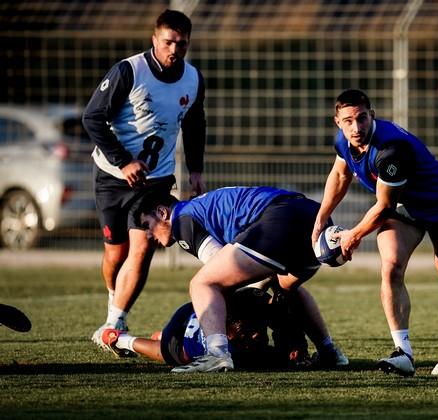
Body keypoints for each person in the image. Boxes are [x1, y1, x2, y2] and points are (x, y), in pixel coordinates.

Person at [311, 89, 438, 376]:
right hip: (401, 208)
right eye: (348, 121)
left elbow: (383, 206)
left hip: (437, 205)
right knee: (391, 269)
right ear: (337, 122)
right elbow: (340, 174)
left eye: (362, 118)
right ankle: (403, 353)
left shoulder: (391, 150)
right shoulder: (344, 141)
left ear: (371, 115)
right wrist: (322, 215)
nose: (356, 127)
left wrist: (353, 235)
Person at [82, 9, 207, 354]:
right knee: (115, 253)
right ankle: (114, 297)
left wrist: (195, 169)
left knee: (143, 246)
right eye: (168, 42)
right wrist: (123, 163)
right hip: (112, 177)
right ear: (155, 40)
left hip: (156, 179)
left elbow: (195, 124)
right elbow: (92, 117)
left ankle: (114, 321)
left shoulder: (193, 79)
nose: (174, 50)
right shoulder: (129, 71)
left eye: (181, 44)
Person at [137, 186, 348, 373]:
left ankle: (217, 355)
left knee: (202, 284)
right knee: (284, 287)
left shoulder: (182, 221)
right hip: (312, 216)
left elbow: (220, 269)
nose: (147, 235)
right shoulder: (199, 208)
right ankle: (328, 351)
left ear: (162, 212)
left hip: (281, 217)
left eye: (147, 226)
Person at [101, 285, 314, 370]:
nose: (257, 333)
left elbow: (268, 306)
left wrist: (294, 338)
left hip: (190, 310)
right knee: (164, 352)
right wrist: (293, 357)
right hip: (180, 342)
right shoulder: (239, 354)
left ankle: (159, 333)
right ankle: (121, 339)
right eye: (247, 334)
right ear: (230, 337)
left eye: (252, 328)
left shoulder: (241, 307)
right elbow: (276, 359)